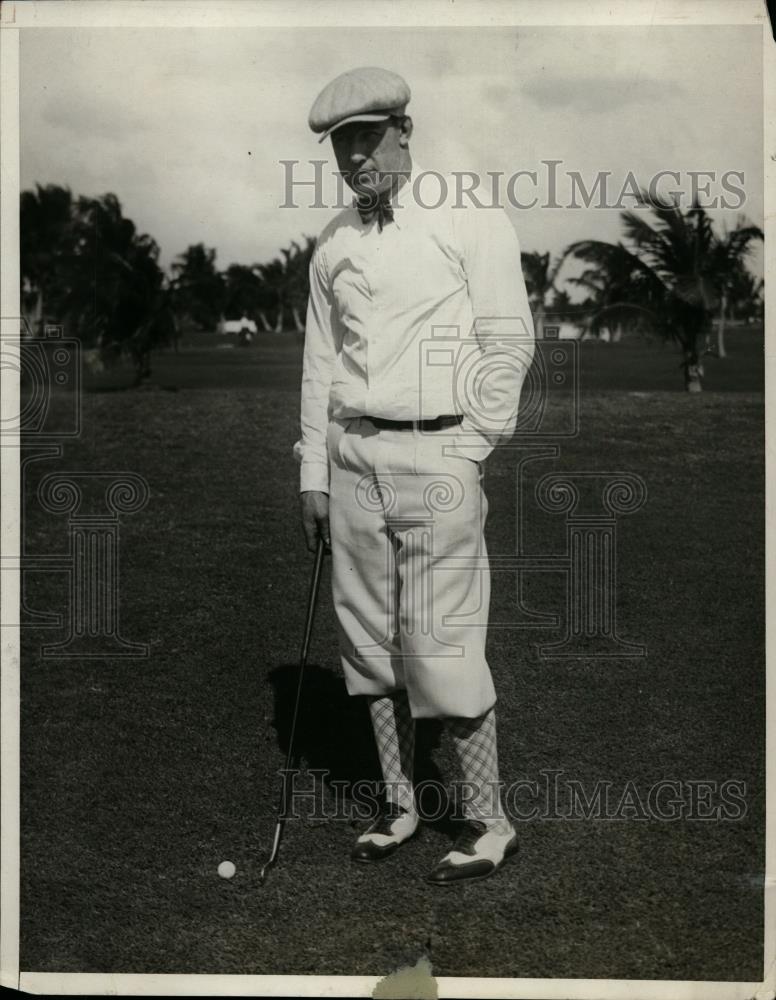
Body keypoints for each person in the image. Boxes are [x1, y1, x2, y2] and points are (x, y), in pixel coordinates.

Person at [295, 66, 535, 884]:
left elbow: (511, 340)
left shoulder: (469, 216)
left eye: (367, 138)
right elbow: (320, 364)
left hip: (439, 455)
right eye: (340, 146)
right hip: (352, 454)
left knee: (442, 642)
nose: (355, 159)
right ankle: (400, 805)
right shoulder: (334, 240)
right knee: (367, 643)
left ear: (405, 132)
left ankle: (489, 822)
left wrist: (471, 448)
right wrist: (313, 473)